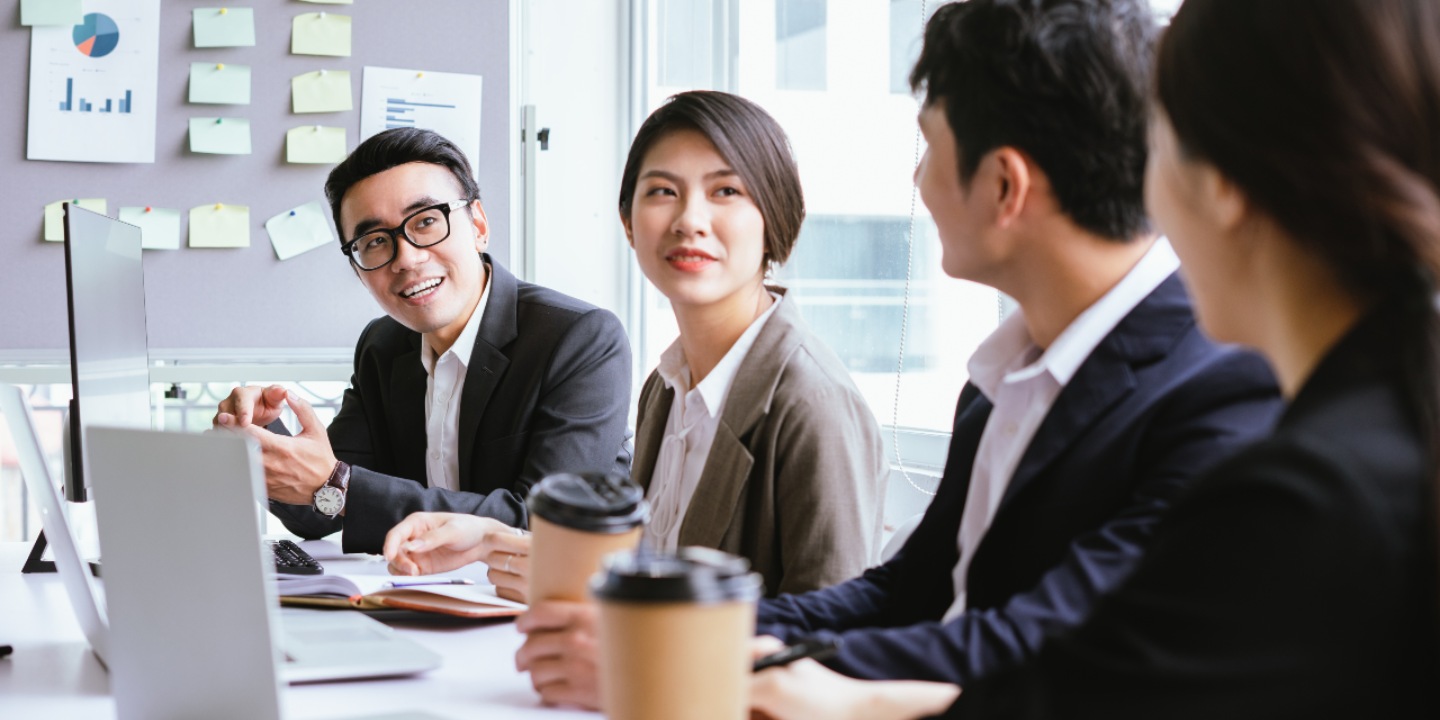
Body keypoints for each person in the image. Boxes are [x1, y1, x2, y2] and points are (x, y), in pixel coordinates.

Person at [752, 0, 1440, 717]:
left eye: (1162, 144)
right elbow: (938, 602)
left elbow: (1074, 674)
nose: (1142, 184)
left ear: (1224, 186)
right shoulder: (1001, 381)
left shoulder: (1292, 467)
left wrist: (823, 691)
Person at [388, 90, 890, 707]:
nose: (689, 220)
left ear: (776, 216)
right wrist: (495, 541)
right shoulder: (667, 386)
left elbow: (829, 656)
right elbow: (654, 571)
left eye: (726, 191)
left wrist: (639, 670)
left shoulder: (812, 401)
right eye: (662, 191)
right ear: (628, 222)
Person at [213, 128, 633, 554]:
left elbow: (544, 523)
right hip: (415, 601)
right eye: (375, 241)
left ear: (479, 225)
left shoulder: (580, 339)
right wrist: (265, 435)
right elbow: (320, 506)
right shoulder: (382, 348)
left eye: (427, 221)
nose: (408, 259)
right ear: (357, 268)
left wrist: (340, 486)